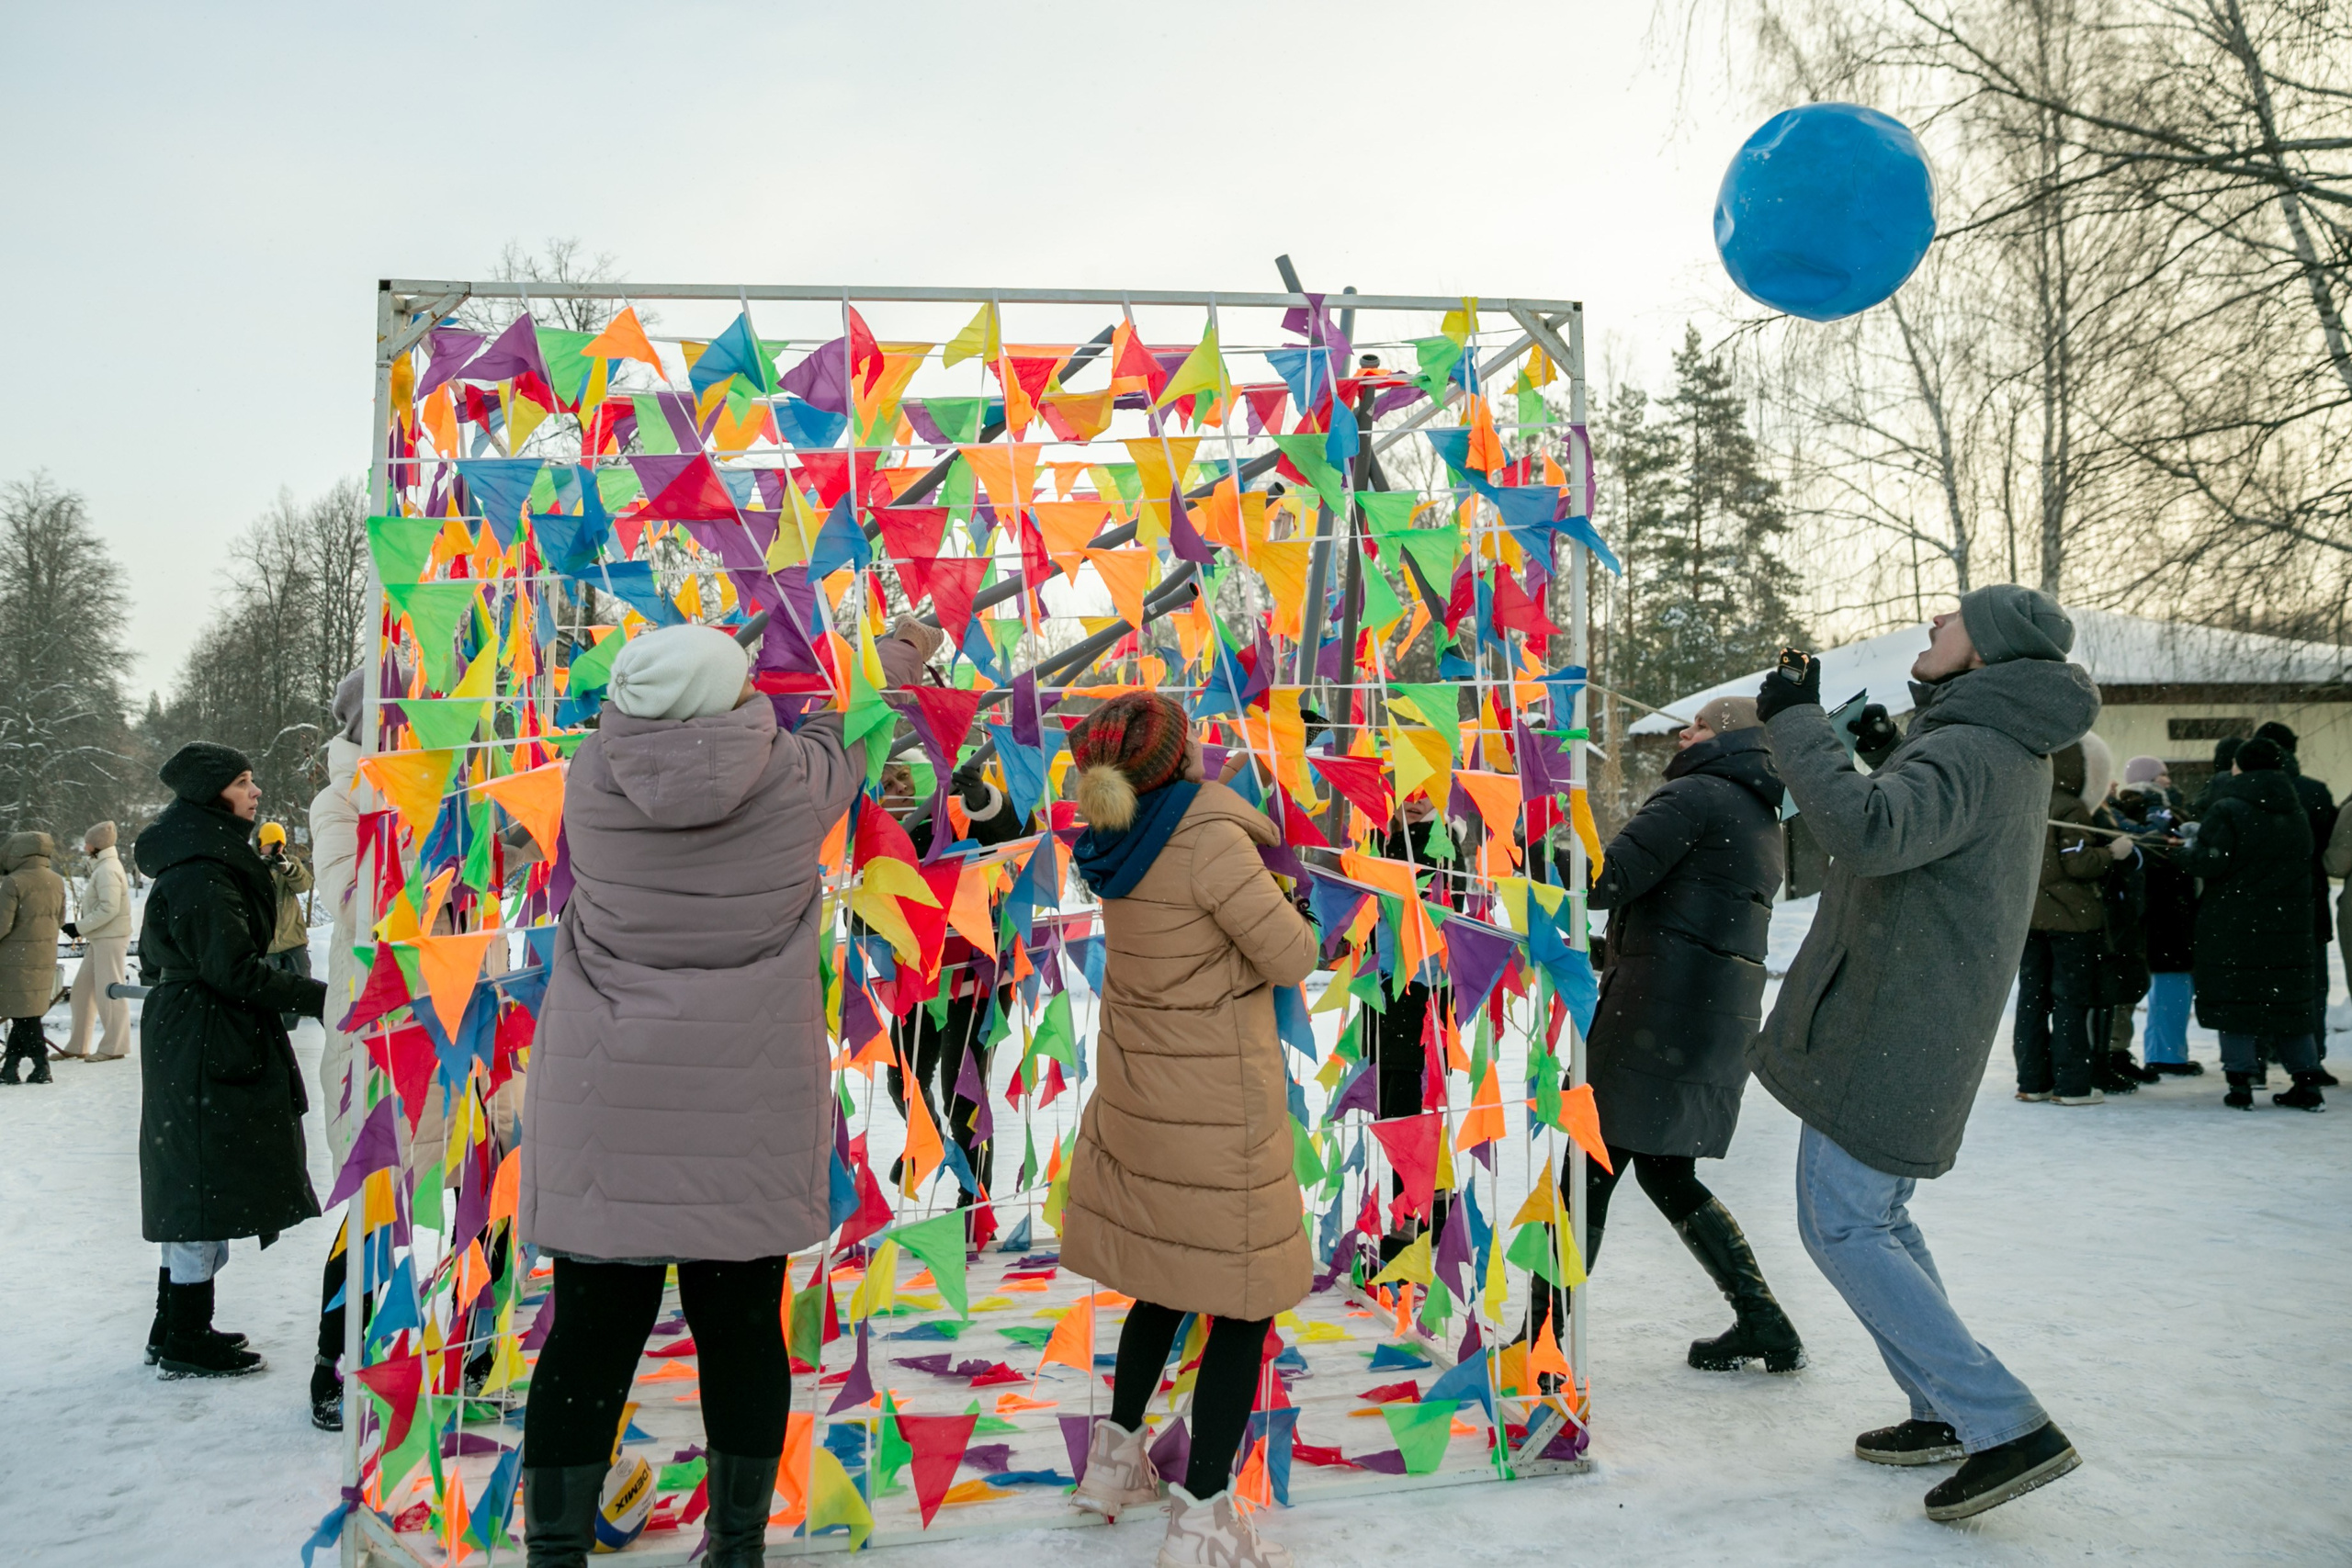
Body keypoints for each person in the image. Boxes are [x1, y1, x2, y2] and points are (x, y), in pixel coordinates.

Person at [516, 617, 940, 1568]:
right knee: (742, 1327)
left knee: (589, 1333)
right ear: (737, 692)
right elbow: (858, 722)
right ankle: (737, 1546)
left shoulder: (593, 777)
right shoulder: (796, 782)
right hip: (745, 1096)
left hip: (606, 1096)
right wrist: (899, 657)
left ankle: (552, 1553)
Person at [1751, 584, 2095, 1522]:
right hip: (1913, 1012)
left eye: (1948, 622)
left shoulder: (1974, 744)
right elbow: (1913, 827)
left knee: (1846, 1225)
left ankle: (2003, 1424)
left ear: (1982, 651)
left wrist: (1798, 725)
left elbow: (1868, 833)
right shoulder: (1989, 739)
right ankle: (1943, 1409)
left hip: (1894, 1021)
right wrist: (1867, 753)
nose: (1931, 629)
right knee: (1876, 1218)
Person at [1060, 692, 1317, 1568]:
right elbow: (1290, 954)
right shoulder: (1209, 838)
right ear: (1178, 758)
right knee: (1241, 1299)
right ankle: (1205, 1512)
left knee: (1162, 1280)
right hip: (1215, 1103)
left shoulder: (1111, 842)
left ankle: (1114, 1460)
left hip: (1146, 1092)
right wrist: (1293, 905)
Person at [1544, 694, 1803, 1374]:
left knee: (1585, 1168)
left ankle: (1537, 1343)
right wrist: (1617, 950)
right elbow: (1693, 916)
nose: (1684, 732)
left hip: (1652, 1019)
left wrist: (1528, 848)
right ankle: (1763, 1320)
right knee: (1665, 1168)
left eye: (1698, 725)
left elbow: (1604, 878)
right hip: (1708, 1015)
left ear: (1724, 737)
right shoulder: (1759, 812)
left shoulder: (1693, 794)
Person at [136, 742, 330, 1377]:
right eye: (244, 782)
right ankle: (186, 1331)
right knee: (197, 1185)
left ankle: (174, 1323)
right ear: (212, 793)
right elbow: (234, 968)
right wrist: (322, 996)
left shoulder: (205, 856)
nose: (255, 791)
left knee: (196, 1180)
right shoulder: (201, 867)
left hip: (200, 1034)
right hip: (203, 1037)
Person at [875, 758, 1032, 1211]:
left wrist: (984, 801)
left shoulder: (954, 810)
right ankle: (937, 1145)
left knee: (962, 1092)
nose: (898, 785)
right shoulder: (878, 833)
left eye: (902, 775)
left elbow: (1015, 834)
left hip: (975, 976)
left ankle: (973, 1203)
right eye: (886, 782)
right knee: (901, 1080)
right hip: (921, 979)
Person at [306, 667, 388, 1431]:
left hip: (462, 1011)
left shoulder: (455, 785)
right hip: (376, 1027)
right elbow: (355, 899)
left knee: (486, 1179)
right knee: (372, 1197)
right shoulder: (337, 801)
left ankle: (474, 1341)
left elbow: (487, 879)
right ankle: (336, 1359)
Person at [2173, 736, 2324, 1111]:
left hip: (2233, 924)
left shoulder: (2228, 808)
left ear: (2240, 766)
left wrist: (2186, 853)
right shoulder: (2296, 809)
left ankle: (2241, 1082)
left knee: (2236, 1002)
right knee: (2289, 1005)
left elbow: (2212, 861)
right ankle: (2307, 1081)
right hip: (2287, 925)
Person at [2012, 737, 2134, 1105]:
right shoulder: (2070, 809)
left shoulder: (2025, 803)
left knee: (2032, 1001)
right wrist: (2113, 852)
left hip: (2029, 919)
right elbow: (2077, 863)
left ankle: (2032, 1081)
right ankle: (2072, 1085)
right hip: (2071, 923)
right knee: (2070, 1001)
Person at [2250, 721, 2338, 1078]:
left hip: (2256, 902)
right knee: (2310, 982)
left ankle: (2258, 1054)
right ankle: (2310, 1057)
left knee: (2257, 981)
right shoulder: (2313, 792)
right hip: (2307, 899)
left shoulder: (2239, 794)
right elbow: (2329, 847)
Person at [2113, 775, 2201, 1075]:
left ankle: (2113, 1053)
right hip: (2173, 917)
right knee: (2172, 983)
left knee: (2120, 991)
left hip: (2129, 914)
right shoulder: (2176, 821)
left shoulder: (2117, 820)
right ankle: (2167, 1055)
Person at [0, 831, 68, 1084]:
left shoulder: (14, 882)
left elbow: (2, 924)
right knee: (26, 1014)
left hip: (15, 958)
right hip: (44, 955)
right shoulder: (56, 880)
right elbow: (60, 919)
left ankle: (42, 1066)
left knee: (23, 1015)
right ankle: (10, 1068)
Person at [65, 821, 134, 1061]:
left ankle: (114, 1047)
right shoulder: (102, 867)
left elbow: (109, 908)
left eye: (87, 842)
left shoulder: (108, 869)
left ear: (96, 846)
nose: (84, 846)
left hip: (111, 938)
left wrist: (78, 927)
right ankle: (77, 1045)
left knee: (109, 993)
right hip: (100, 938)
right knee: (82, 992)